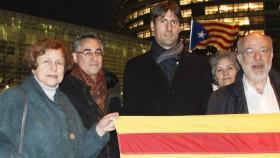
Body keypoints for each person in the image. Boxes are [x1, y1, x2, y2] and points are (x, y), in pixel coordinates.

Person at [0, 39, 118, 158]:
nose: (54, 67)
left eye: (59, 62)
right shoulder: (15, 97)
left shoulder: (64, 102)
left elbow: (80, 151)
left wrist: (100, 129)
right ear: (33, 67)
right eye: (46, 61)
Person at [123, 0, 213, 115]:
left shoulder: (200, 65)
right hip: (152, 133)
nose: (169, 28)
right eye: (163, 21)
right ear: (152, 26)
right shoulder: (134, 67)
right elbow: (130, 113)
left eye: (174, 22)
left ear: (179, 27)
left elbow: (207, 110)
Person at [60, 33, 121, 158]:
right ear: (75, 57)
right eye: (87, 53)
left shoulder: (112, 87)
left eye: (98, 52)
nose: (94, 57)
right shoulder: (64, 89)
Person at [207, 32, 280, 114]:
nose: (257, 57)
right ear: (240, 58)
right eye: (250, 51)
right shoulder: (219, 100)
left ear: (271, 55)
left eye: (263, 50)